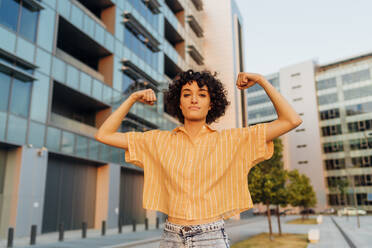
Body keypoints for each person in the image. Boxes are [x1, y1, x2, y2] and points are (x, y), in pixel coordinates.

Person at [95, 69, 302, 247]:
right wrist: (131, 98)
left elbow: (291, 120)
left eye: (202, 94)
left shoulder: (234, 140)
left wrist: (261, 80)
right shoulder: (157, 141)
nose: (194, 99)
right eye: (187, 94)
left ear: (211, 104)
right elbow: (103, 134)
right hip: (170, 238)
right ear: (180, 103)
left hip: (210, 238)